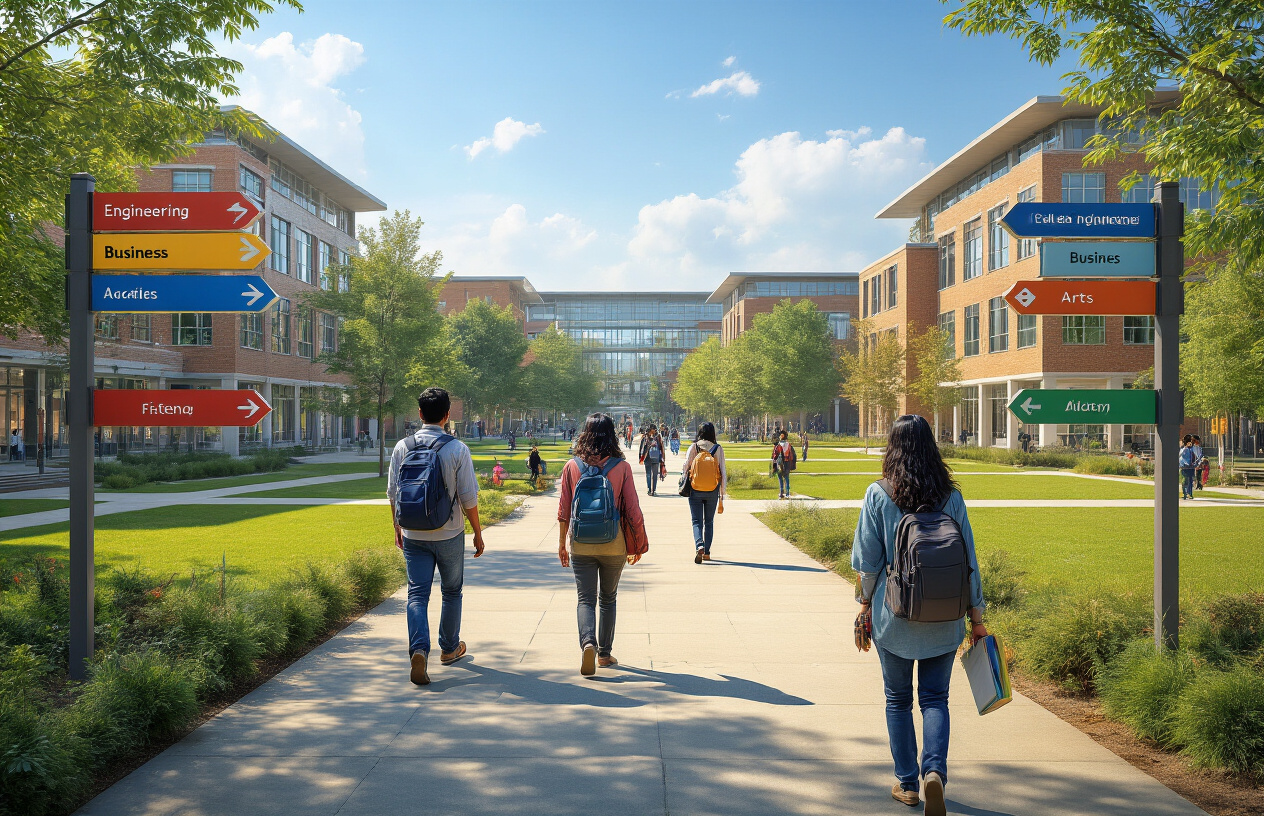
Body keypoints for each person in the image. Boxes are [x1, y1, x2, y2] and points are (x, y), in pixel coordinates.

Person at [852, 415, 987, 816]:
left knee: (897, 701)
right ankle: (934, 773)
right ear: (932, 447)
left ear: (891, 448)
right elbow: (969, 562)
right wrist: (977, 616)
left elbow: (867, 564)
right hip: (945, 616)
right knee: (935, 699)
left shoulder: (878, 494)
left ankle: (908, 784)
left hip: (894, 617)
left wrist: (863, 607)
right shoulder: (951, 498)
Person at [387, 387, 485, 686]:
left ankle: (419, 650)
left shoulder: (402, 447)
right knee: (451, 590)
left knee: (417, 594)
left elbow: (393, 493)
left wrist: (397, 527)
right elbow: (468, 497)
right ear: (447, 415)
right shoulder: (457, 449)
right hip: (449, 532)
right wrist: (477, 533)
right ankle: (449, 648)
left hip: (413, 532)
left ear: (419, 413)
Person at [556, 413, 647, 676]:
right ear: (612, 434)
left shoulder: (571, 466)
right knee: (608, 598)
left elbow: (563, 510)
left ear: (584, 433)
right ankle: (604, 655)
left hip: (581, 542)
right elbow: (633, 510)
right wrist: (638, 544)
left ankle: (588, 643)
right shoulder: (622, 467)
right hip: (613, 543)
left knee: (585, 599)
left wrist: (562, 544)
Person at [683, 421, 727, 563]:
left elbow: (686, 465)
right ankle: (707, 552)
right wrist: (722, 492)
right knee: (709, 522)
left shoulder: (694, 447)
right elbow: (723, 470)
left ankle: (699, 545)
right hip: (712, 489)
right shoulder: (717, 449)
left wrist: (683, 480)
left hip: (695, 489)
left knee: (696, 521)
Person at [638, 425, 665, 495]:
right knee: (648, 474)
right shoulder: (645, 437)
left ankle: (653, 490)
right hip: (647, 458)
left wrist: (662, 459)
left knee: (655, 474)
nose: (655, 430)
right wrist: (640, 458)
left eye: (655, 429)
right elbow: (641, 448)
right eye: (654, 429)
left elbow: (662, 447)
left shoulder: (658, 437)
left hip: (656, 458)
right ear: (650, 429)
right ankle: (649, 489)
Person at [772, 430, 796, 499]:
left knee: (780, 478)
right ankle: (787, 493)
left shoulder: (778, 445)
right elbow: (793, 455)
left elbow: (775, 455)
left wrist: (774, 464)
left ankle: (781, 492)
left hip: (780, 463)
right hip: (787, 463)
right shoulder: (788, 445)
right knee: (786, 478)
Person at [1179, 434, 1197, 500]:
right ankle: (1184, 493)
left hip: (1191, 467)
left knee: (1191, 480)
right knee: (1185, 480)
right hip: (1185, 467)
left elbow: (1196, 456)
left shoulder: (1192, 449)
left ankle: (1190, 493)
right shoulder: (1183, 449)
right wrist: (1185, 447)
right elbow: (1180, 456)